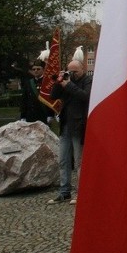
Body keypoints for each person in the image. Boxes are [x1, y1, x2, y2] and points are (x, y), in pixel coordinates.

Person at [48, 60, 91, 205]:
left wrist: (69, 85)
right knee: (63, 160)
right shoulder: (66, 81)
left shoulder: (88, 80)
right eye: (69, 71)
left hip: (79, 126)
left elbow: (86, 96)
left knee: (79, 162)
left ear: (83, 69)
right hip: (66, 125)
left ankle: (82, 193)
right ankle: (64, 192)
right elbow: (53, 96)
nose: (72, 74)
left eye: (75, 71)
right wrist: (59, 81)